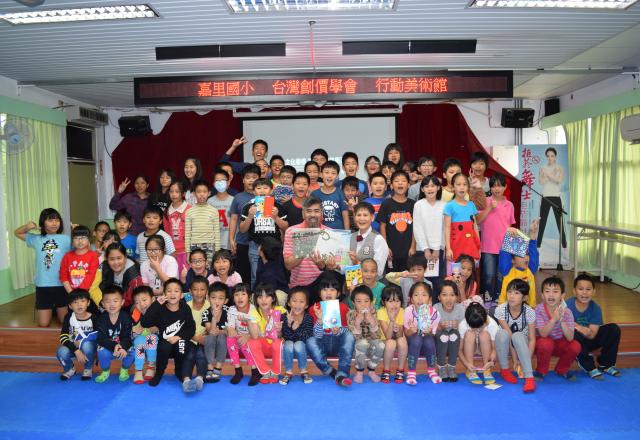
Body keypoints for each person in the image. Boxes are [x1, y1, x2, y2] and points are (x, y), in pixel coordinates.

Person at [14, 208, 71, 327]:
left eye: (57, 220)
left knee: (64, 322)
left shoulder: (66, 239)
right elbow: (17, 233)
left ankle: (55, 309)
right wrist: (27, 227)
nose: (54, 223)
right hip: (43, 285)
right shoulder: (36, 239)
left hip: (62, 284)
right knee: (44, 324)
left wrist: (78, 232)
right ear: (43, 222)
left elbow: (81, 249)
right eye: (50, 220)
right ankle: (49, 309)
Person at [141, 278, 200, 392]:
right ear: (164, 294)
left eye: (176, 291)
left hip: (180, 342)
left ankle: (179, 371)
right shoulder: (159, 308)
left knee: (181, 344)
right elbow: (145, 323)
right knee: (165, 346)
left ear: (181, 295)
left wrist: (178, 337)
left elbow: (191, 328)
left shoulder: (185, 308)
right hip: (164, 344)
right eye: (169, 290)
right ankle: (159, 373)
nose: (172, 293)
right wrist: (156, 304)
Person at [567, 273, 622, 379]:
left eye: (588, 289)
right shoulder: (567, 305)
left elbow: (592, 335)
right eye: (581, 289)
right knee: (573, 334)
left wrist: (579, 327)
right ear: (574, 291)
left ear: (594, 291)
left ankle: (606, 364)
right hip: (575, 341)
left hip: (589, 338)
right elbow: (565, 327)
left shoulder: (596, 308)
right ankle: (589, 367)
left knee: (614, 329)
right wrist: (580, 328)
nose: (584, 292)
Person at [306, 272, 355, 387]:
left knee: (349, 336)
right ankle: (331, 371)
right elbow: (316, 336)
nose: (328, 292)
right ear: (319, 293)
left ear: (338, 294)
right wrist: (319, 321)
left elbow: (348, 330)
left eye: (332, 290)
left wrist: (338, 331)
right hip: (322, 343)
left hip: (338, 343)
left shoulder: (343, 307)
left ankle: (343, 372)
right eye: (325, 289)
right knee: (310, 341)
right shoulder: (314, 309)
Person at [240, 178, 287, 287]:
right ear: (253, 191)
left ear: (271, 190)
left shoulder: (277, 206)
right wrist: (250, 216)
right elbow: (242, 229)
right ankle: (256, 296)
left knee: (276, 275)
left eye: (265, 188)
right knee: (255, 276)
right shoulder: (248, 207)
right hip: (255, 246)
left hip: (274, 247)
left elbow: (286, 227)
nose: (262, 190)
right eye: (258, 188)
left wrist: (275, 217)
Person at [283, 196, 338, 290]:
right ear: (303, 214)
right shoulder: (291, 232)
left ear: (322, 214)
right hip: (299, 286)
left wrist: (325, 266)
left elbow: (335, 267)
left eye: (316, 211)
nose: (312, 214)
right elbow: (288, 266)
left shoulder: (330, 233)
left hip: (323, 286)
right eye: (308, 211)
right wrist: (304, 248)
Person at [477, 173, 515, 303]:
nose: (496, 189)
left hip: (504, 248)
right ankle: (487, 302)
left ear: (505, 187)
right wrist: (489, 208)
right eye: (493, 186)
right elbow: (477, 221)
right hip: (488, 247)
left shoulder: (509, 205)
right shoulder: (485, 201)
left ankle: (499, 301)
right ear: (490, 187)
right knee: (488, 276)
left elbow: (509, 227)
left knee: (501, 276)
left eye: (500, 186)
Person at [534, 276, 581, 381]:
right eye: (547, 291)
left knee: (575, 346)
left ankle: (562, 369)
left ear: (562, 296)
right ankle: (541, 371)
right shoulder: (539, 309)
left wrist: (562, 320)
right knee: (545, 343)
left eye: (555, 291)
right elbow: (543, 334)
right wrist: (554, 319)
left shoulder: (567, 312)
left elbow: (570, 337)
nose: (551, 295)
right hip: (542, 344)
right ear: (542, 295)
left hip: (559, 343)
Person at [494, 279, 537, 393]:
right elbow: (510, 337)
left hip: (523, 344)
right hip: (506, 345)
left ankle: (529, 378)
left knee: (518, 335)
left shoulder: (529, 312)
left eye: (516, 293)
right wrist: (515, 360)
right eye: (509, 292)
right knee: (502, 333)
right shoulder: (500, 310)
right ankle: (504, 370)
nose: (511, 296)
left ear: (525, 298)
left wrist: (525, 360)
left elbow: (532, 339)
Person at [413, 175, 446, 296]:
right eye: (426, 186)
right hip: (422, 249)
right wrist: (426, 248)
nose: (430, 189)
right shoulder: (418, 205)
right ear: (422, 189)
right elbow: (417, 228)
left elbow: (445, 228)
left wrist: (437, 248)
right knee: (423, 281)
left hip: (439, 249)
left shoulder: (444, 205)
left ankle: (436, 304)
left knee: (438, 281)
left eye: (433, 186)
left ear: (438, 187)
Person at [228, 164, 260, 285]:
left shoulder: (265, 197)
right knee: (243, 276)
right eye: (248, 177)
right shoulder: (238, 197)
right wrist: (231, 239)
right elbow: (234, 219)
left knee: (258, 275)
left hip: (260, 243)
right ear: (243, 180)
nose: (251, 180)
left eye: (254, 177)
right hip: (243, 242)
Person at [95, 285, 134, 383]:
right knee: (101, 351)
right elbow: (101, 339)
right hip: (109, 348)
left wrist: (122, 346)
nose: (112, 304)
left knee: (134, 352)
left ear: (122, 302)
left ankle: (124, 369)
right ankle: (105, 371)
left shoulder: (126, 317)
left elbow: (128, 337)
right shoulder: (101, 318)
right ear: (103, 303)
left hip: (123, 348)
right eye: (108, 301)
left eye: (115, 301)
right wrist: (114, 346)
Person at [378, 170, 416, 272]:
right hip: (391, 251)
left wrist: (413, 246)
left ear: (408, 185)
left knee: (407, 277)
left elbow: (416, 228)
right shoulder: (386, 204)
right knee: (391, 278)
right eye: (396, 181)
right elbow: (382, 226)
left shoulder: (413, 204)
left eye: (403, 181)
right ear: (391, 185)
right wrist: (385, 247)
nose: (400, 183)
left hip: (408, 250)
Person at [56, 289, 98, 381]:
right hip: (73, 347)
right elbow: (63, 337)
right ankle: (70, 369)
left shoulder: (94, 317)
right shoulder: (68, 317)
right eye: (75, 302)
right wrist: (76, 350)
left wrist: (83, 341)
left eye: (82, 301)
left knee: (87, 345)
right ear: (70, 306)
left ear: (88, 303)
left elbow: (98, 334)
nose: (79, 305)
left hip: (90, 348)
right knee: (61, 352)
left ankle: (88, 369)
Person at [248, 283, 286, 384]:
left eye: (267, 296)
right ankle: (265, 372)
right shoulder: (254, 312)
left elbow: (283, 335)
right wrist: (249, 321)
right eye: (260, 297)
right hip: (264, 347)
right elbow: (255, 336)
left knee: (277, 342)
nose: (263, 300)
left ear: (273, 298)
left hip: (278, 347)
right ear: (256, 300)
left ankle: (275, 372)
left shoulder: (280, 311)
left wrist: (280, 330)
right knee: (252, 342)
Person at [404, 282, 440, 385]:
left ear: (429, 299)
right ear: (411, 299)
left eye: (424, 295)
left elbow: (434, 334)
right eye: (416, 295)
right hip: (413, 340)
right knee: (417, 338)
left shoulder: (435, 313)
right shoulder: (408, 311)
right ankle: (411, 372)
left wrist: (429, 332)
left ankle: (431, 370)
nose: (420, 298)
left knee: (429, 341)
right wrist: (411, 330)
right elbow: (406, 333)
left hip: (427, 339)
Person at [498, 220, 540, 308]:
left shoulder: (530, 269)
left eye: (527, 254)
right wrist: (508, 235)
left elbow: (534, 253)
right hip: (506, 310)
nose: (526, 257)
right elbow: (505, 254)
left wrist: (533, 235)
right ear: (512, 260)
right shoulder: (507, 270)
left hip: (527, 310)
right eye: (522, 255)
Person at [226, 283, 261, 386]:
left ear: (249, 297)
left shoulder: (253, 310)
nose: (240, 297)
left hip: (254, 337)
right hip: (240, 336)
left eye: (243, 294)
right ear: (233, 298)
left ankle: (255, 371)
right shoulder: (232, 309)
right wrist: (231, 331)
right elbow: (230, 327)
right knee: (230, 338)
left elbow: (258, 331)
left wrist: (247, 336)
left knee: (245, 343)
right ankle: (238, 370)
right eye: (236, 295)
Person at [347, 285, 384, 384]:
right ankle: (359, 371)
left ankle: (371, 370)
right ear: (353, 303)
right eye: (359, 301)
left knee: (381, 344)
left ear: (371, 302)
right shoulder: (351, 314)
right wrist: (357, 322)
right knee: (362, 342)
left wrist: (371, 320)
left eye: (366, 301)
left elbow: (377, 336)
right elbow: (355, 337)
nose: (363, 304)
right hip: (357, 347)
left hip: (371, 344)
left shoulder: (374, 313)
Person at [458, 302, 498, 385]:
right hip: (469, 350)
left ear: (485, 321)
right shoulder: (463, 324)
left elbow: (494, 349)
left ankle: (486, 369)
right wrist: (467, 364)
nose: (477, 330)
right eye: (474, 328)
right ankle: (471, 371)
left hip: (484, 349)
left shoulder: (492, 324)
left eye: (479, 327)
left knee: (484, 334)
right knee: (469, 334)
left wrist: (491, 361)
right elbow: (459, 350)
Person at [280, 287, 314, 385]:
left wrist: (296, 329)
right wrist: (289, 325)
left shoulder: (308, 318)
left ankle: (304, 371)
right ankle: (288, 372)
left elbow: (307, 338)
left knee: (299, 343)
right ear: (289, 303)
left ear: (306, 305)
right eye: (294, 301)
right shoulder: (284, 316)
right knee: (288, 343)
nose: (297, 304)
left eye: (301, 302)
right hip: (288, 350)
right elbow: (286, 337)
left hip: (302, 349)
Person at [444, 173, 480, 262]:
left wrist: (478, 245)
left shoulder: (471, 205)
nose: (462, 187)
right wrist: (448, 249)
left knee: (470, 269)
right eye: (458, 184)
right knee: (456, 270)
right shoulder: (449, 206)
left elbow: (475, 226)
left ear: (468, 187)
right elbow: (447, 228)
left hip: (471, 246)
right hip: (455, 246)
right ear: (453, 187)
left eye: (464, 184)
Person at [348, 202, 389, 279]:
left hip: (372, 285)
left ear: (372, 217)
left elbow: (379, 272)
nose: (361, 218)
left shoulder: (378, 239)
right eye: (358, 215)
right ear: (354, 217)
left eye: (365, 215)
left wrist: (357, 263)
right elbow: (346, 267)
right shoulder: (350, 237)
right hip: (353, 283)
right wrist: (336, 266)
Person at [96, 242, 143, 307]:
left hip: (127, 306)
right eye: (112, 259)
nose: (116, 262)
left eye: (119, 258)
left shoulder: (134, 273)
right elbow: (96, 286)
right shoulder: (104, 266)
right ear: (106, 258)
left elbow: (133, 299)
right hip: (108, 303)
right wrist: (102, 302)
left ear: (125, 257)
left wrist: (114, 306)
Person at [185, 179, 221, 265]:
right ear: (194, 194)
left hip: (210, 246)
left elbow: (217, 233)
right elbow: (187, 233)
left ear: (209, 193)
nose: (201, 194)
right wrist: (188, 252)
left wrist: (217, 251)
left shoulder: (214, 211)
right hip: (194, 246)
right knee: (196, 269)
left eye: (204, 191)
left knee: (209, 269)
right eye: (199, 192)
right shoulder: (189, 211)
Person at [434, 281, 464, 382]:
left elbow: (464, 329)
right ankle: (441, 367)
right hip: (440, 342)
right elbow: (432, 328)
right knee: (443, 335)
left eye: (452, 295)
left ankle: (452, 367)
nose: (449, 298)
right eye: (444, 295)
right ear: (439, 297)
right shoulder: (436, 308)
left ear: (457, 297)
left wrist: (458, 326)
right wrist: (440, 326)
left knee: (454, 334)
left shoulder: (460, 309)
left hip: (454, 342)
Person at [377, 285, 408, 384]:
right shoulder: (381, 312)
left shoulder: (403, 312)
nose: (394, 304)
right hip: (384, 339)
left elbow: (399, 335)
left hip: (398, 337)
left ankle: (400, 370)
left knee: (402, 341)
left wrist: (397, 328)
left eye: (397, 301)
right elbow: (388, 336)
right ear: (383, 302)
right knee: (391, 343)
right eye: (390, 301)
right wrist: (392, 320)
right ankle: (386, 370)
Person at [537, 147, 567, 249]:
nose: (550, 158)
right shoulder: (542, 168)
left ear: (555, 156)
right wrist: (552, 174)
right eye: (548, 156)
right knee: (542, 222)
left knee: (560, 223)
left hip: (556, 197)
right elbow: (541, 182)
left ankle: (564, 245)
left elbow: (559, 180)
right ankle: (538, 244)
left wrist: (548, 175)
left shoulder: (559, 168)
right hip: (545, 197)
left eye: (552, 156)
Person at [60, 225, 100, 294]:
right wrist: (71, 293)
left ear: (89, 239)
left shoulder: (93, 256)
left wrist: (80, 294)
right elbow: (63, 276)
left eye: (83, 237)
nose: (80, 241)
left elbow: (90, 276)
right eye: (76, 238)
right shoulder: (67, 256)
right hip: (70, 293)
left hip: (86, 293)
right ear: (72, 241)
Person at [130, 286, 158, 384]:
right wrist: (136, 330)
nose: (141, 304)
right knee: (140, 341)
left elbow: (157, 328)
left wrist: (146, 330)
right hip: (139, 338)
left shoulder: (158, 311)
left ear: (153, 299)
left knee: (152, 338)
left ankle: (151, 366)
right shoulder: (135, 313)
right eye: (137, 302)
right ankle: (138, 370)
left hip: (155, 338)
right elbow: (135, 330)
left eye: (144, 300)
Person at [202, 282, 229, 383]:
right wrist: (214, 317)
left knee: (222, 337)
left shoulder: (229, 311)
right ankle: (209, 367)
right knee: (209, 337)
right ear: (208, 298)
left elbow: (230, 331)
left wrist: (221, 331)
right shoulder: (206, 312)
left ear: (225, 301)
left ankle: (218, 367)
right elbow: (211, 331)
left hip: (223, 340)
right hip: (211, 339)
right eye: (213, 298)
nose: (216, 301)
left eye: (220, 298)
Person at [311, 160, 350, 230]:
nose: (330, 176)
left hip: (339, 232)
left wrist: (347, 233)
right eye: (326, 172)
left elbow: (345, 215)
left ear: (337, 176)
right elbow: (311, 216)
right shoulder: (314, 194)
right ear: (321, 174)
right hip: (321, 232)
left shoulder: (340, 193)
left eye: (333, 173)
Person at [186, 276, 210, 388]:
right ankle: (186, 380)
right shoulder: (185, 306)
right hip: (189, 338)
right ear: (190, 291)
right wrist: (194, 337)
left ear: (207, 291)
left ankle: (200, 378)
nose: (199, 293)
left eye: (202, 289)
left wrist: (207, 334)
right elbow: (181, 327)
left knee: (201, 354)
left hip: (204, 339)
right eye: (195, 289)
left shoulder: (210, 306)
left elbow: (214, 324)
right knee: (189, 355)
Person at [163, 180, 191, 272]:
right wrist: (170, 250)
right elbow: (167, 233)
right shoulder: (167, 211)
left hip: (187, 251)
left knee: (186, 276)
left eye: (177, 191)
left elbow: (193, 233)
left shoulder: (190, 209)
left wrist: (190, 251)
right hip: (173, 252)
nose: (174, 194)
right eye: (171, 191)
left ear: (183, 194)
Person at [207, 168, 234, 250]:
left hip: (230, 243)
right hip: (215, 244)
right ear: (213, 184)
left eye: (222, 180)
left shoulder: (234, 200)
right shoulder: (209, 201)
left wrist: (234, 241)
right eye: (217, 180)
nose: (220, 182)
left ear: (228, 182)